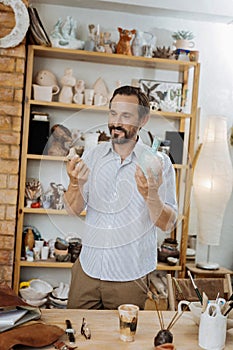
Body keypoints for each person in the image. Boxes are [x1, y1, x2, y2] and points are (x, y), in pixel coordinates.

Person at [64, 85, 177, 309]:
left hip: (130, 276)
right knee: (76, 337)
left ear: (143, 120)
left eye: (126, 115)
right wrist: (75, 183)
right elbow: (72, 209)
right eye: (113, 113)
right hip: (87, 270)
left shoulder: (160, 164)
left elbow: (168, 223)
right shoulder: (93, 155)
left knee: (123, 342)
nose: (116, 122)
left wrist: (150, 194)